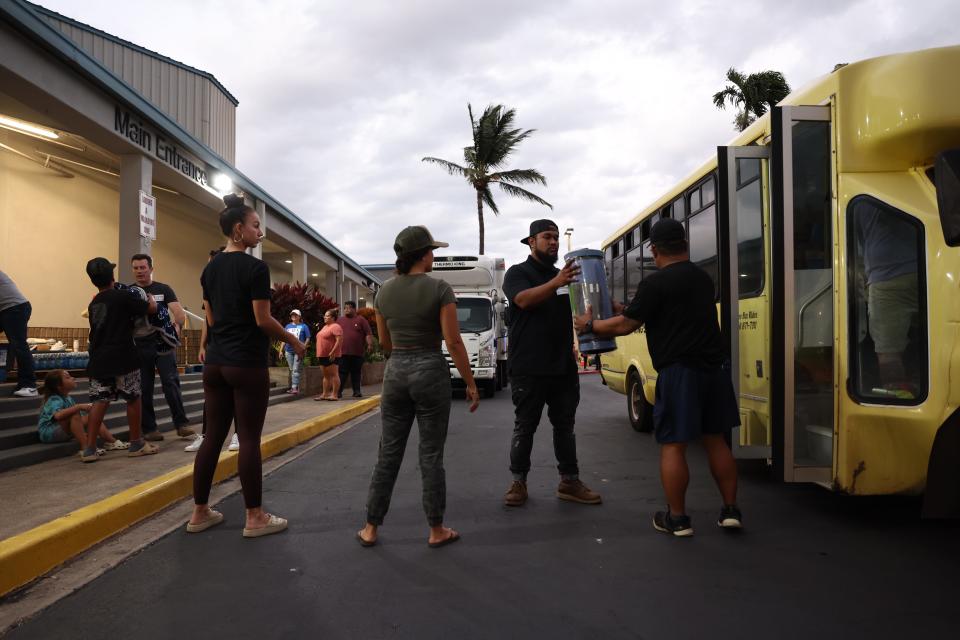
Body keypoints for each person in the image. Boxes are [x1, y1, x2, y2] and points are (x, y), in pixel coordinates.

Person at [573, 218, 742, 537]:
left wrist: (590, 326)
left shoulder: (656, 283)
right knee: (716, 440)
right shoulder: (702, 278)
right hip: (714, 370)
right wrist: (626, 308)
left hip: (679, 372)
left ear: (654, 250)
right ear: (685, 245)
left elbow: (624, 326)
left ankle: (677, 519)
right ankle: (731, 511)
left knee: (674, 445)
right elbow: (657, 312)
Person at [187, 194, 305, 538]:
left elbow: (210, 315)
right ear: (238, 230)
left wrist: (210, 344)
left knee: (212, 438)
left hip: (217, 363)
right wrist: (293, 340)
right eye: (256, 226)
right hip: (246, 362)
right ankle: (254, 517)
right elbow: (262, 319)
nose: (260, 233)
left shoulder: (209, 269)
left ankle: (199, 512)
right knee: (249, 439)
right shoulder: (255, 268)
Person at [357, 226, 480, 548]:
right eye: (432, 251)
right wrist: (470, 383)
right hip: (430, 370)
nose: (434, 256)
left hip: (396, 370)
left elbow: (384, 342)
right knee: (430, 454)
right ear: (423, 254)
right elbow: (453, 341)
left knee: (388, 453)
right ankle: (436, 529)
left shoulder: (383, 292)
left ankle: (371, 526)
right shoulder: (440, 289)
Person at [501, 219, 602, 507]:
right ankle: (518, 482)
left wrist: (594, 316)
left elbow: (579, 310)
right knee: (525, 426)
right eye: (547, 237)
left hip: (562, 366)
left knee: (564, 426)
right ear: (531, 242)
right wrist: (557, 282)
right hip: (528, 367)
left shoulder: (564, 277)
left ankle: (569, 482)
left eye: (556, 237)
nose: (554, 242)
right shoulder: (517, 273)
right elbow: (523, 300)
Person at [83, 257, 160, 463]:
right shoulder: (123, 296)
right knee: (133, 397)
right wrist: (151, 300)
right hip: (124, 356)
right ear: (112, 276)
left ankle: (89, 449)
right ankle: (136, 443)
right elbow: (150, 309)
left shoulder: (94, 303)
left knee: (100, 401)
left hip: (99, 358)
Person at [853, 199, 920, 396]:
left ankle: (900, 397)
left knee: (888, 349)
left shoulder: (858, 198)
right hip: (927, 267)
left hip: (885, 280)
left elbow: (859, 242)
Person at [130, 254, 196, 441]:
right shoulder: (130, 292)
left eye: (143, 267)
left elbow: (179, 313)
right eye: (136, 268)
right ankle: (150, 429)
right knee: (145, 387)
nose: (139, 271)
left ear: (150, 269)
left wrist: (175, 328)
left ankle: (181, 424)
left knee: (171, 382)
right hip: (140, 345)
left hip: (162, 344)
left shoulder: (163, 289)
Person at [185, 247, 240, 453]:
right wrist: (202, 346)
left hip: (234, 349)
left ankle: (237, 435)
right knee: (212, 396)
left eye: (212, 263)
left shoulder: (236, 288)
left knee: (235, 393)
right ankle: (206, 434)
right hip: (215, 349)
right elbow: (207, 322)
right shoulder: (209, 289)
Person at [38, 370, 128, 453]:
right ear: (59, 386)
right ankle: (86, 448)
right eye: (68, 377)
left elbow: (78, 420)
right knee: (75, 414)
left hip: (62, 430)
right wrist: (79, 407)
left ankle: (111, 441)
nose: (73, 378)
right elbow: (58, 416)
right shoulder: (54, 399)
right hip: (49, 433)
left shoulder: (67, 398)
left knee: (92, 417)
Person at [0, 270, 38, 397]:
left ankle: (30, 385)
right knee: (17, 344)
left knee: (19, 345)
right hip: (7, 308)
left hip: (15, 308)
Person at [337, 301, 372, 398]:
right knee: (342, 373)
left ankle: (357, 391)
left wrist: (369, 344)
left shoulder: (361, 320)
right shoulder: (340, 320)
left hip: (357, 353)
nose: (346, 310)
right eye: (345, 308)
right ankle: (338, 392)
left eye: (349, 308)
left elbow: (368, 333)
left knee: (356, 373)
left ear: (354, 309)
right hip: (343, 352)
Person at [314, 309, 343, 401]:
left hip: (331, 355)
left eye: (327, 316)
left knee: (334, 374)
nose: (324, 317)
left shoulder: (335, 326)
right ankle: (325, 394)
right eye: (325, 315)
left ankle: (334, 395)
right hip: (322, 355)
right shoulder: (325, 327)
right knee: (326, 376)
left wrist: (333, 351)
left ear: (333, 318)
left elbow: (339, 340)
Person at [283, 309, 311, 395]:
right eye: (292, 315)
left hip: (298, 351)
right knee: (292, 369)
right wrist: (281, 350)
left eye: (295, 315)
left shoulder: (304, 326)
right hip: (288, 351)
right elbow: (283, 338)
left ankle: (294, 387)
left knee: (295, 369)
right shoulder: (287, 326)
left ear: (299, 316)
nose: (293, 317)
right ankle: (295, 387)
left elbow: (308, 338)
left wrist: (303, 347)